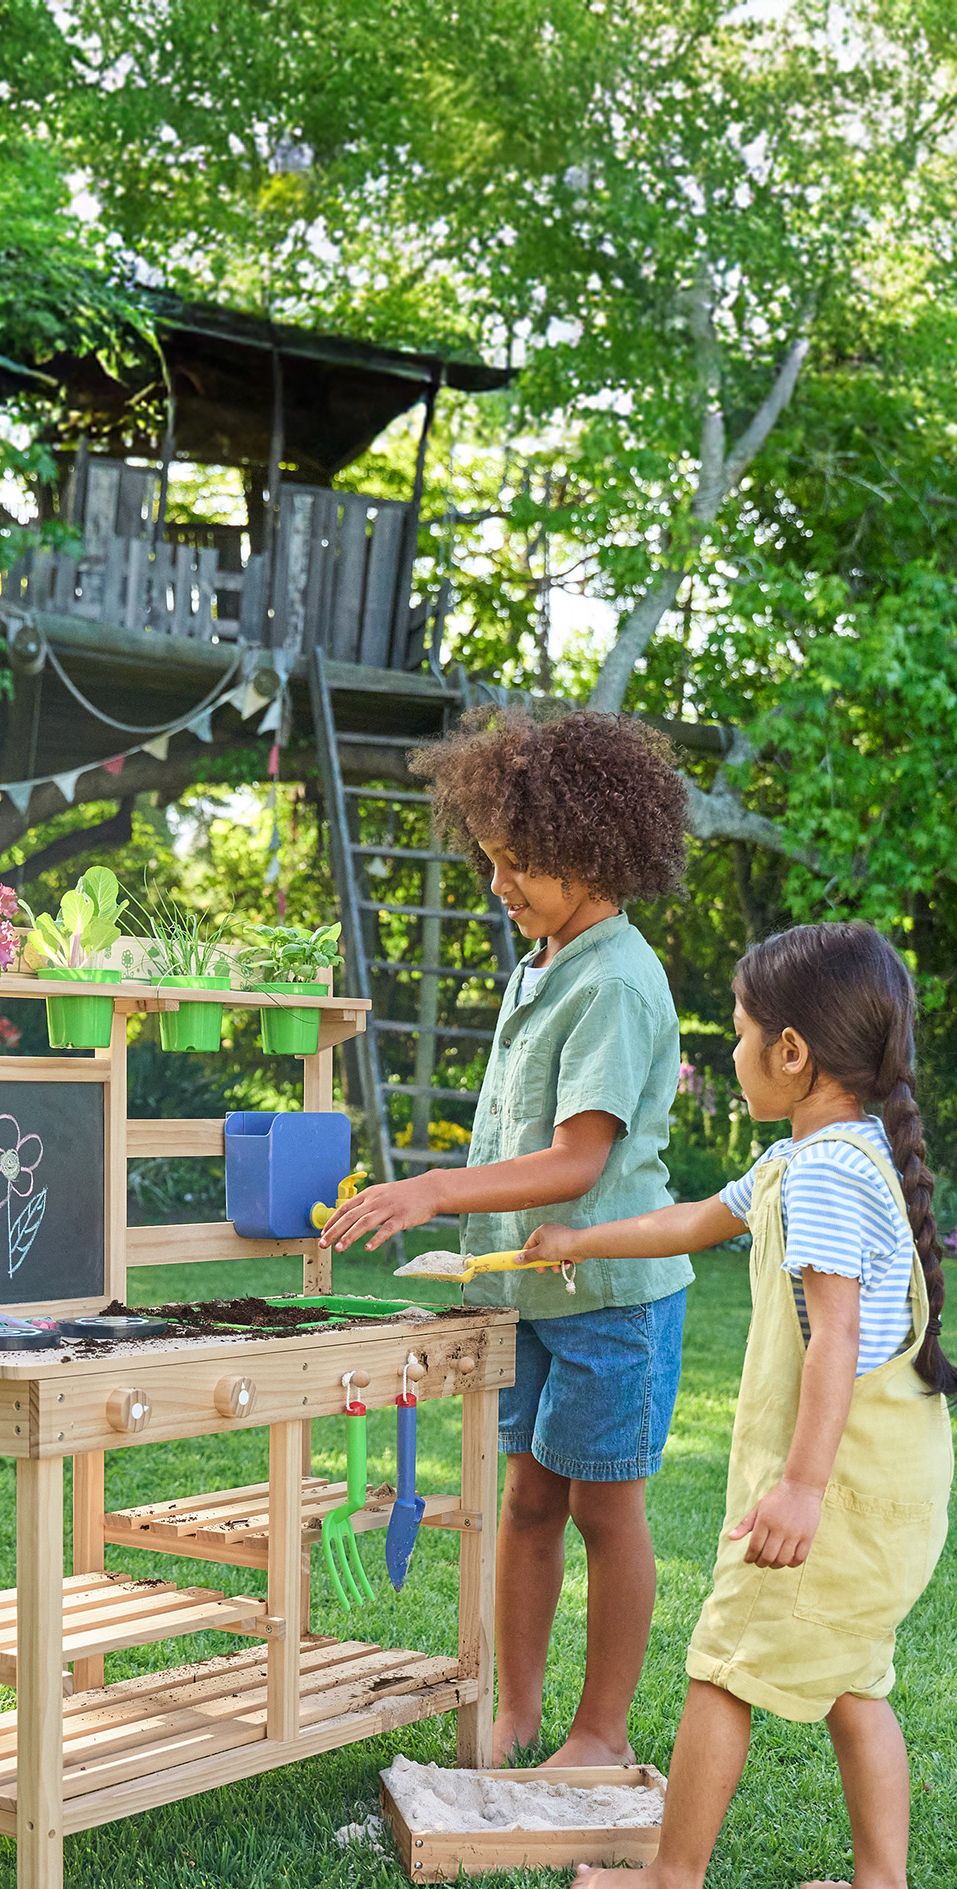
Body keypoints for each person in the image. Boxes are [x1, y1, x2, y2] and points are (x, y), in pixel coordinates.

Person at [525, 920, 957, 1889]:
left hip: (845, 1486)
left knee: (723, 1663)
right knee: (855, 1677)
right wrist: (581, 1237)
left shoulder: (823, 1172)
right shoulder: (820, 1159)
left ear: (791, 1052)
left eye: (735, 1034)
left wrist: (803, 1489)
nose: (724, 1055)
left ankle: (671, 1886)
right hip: (897, 1481)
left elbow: (835, 1340)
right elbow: (695, 1220)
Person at [321, 707, 694, 1770]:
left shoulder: (617, 980)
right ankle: (517, 1715)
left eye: (521, 865)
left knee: (605, 1517)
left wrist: (436, 1188)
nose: (501, 884)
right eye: (493, 860)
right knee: (527, 1503)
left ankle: (599, 1730)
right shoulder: (546, 960)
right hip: (526, 1295)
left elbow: (580, 1161)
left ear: (592, 853)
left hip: (613, 1303)